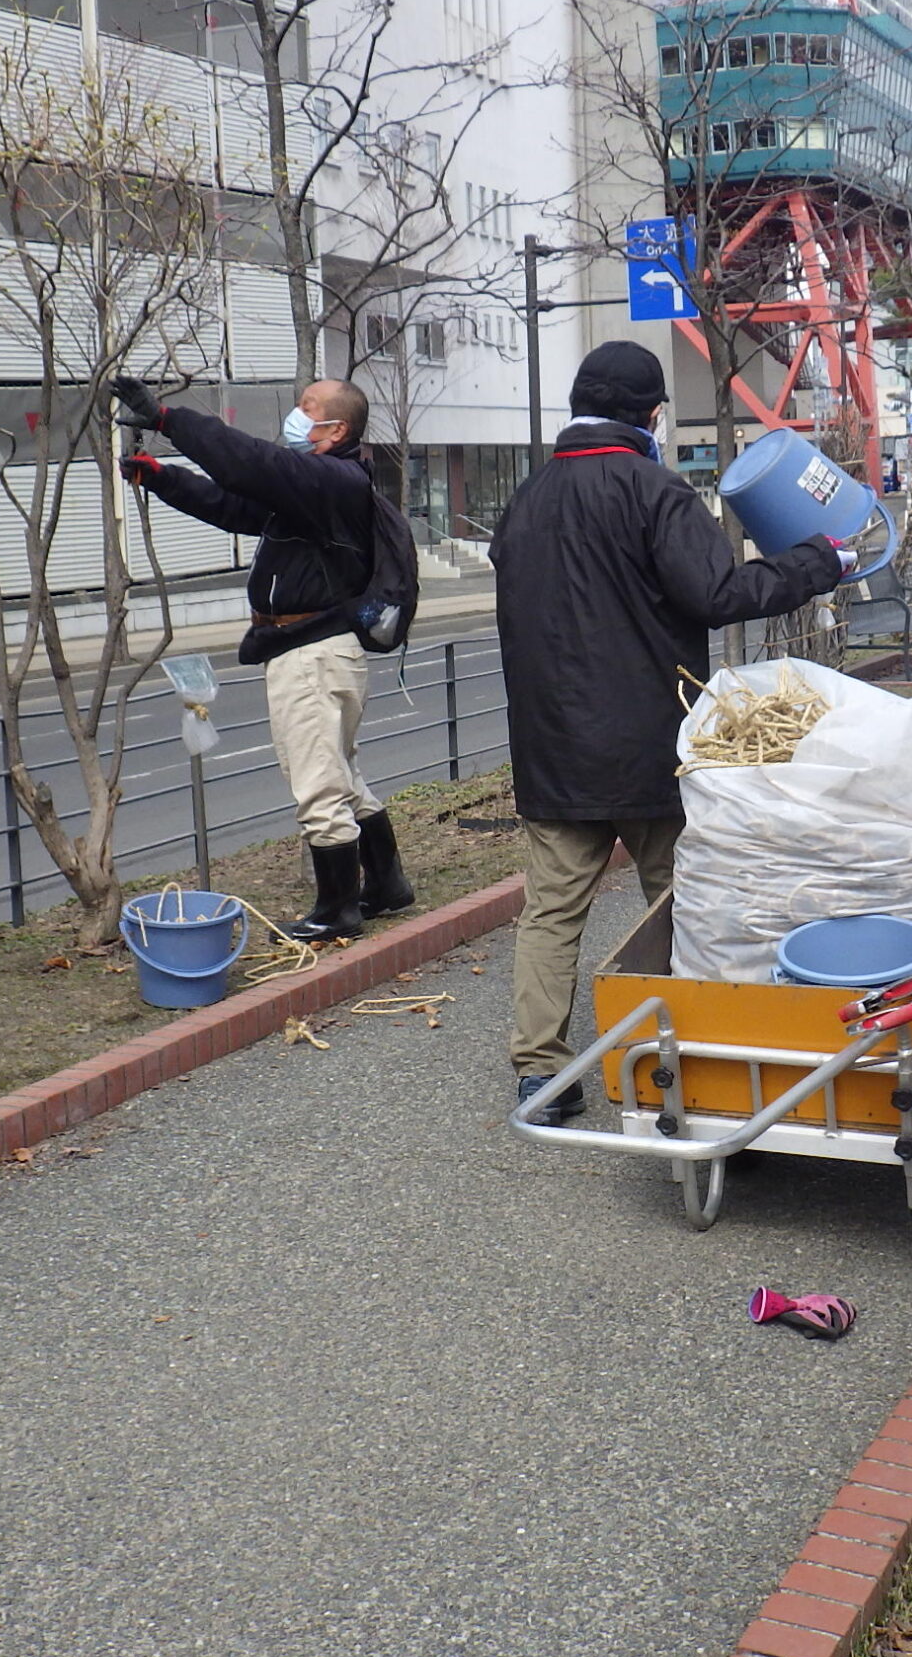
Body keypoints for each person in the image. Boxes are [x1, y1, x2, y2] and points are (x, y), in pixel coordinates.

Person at [492, 340, 849, 1123]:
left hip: (552, 750)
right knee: (685, 902)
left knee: (551, 913)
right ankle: (697, 1056)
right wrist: (817, 561)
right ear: (651, 415)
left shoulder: (526, 500)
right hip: (653, 744)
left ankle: (540, 1075)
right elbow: (717, 594)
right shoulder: (656, 492)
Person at [110, 375, 409, 942]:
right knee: (341, 775)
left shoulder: (332, 479)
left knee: (318, 783)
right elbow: (235, 506)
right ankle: (386, 884)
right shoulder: (318, 488)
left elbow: (249, 463)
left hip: (311, 654)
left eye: (308, 407)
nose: (295, 414)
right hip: (322, 651)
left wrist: (168, 420)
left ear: (336, 429)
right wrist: (163, 477)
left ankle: (337, 910)